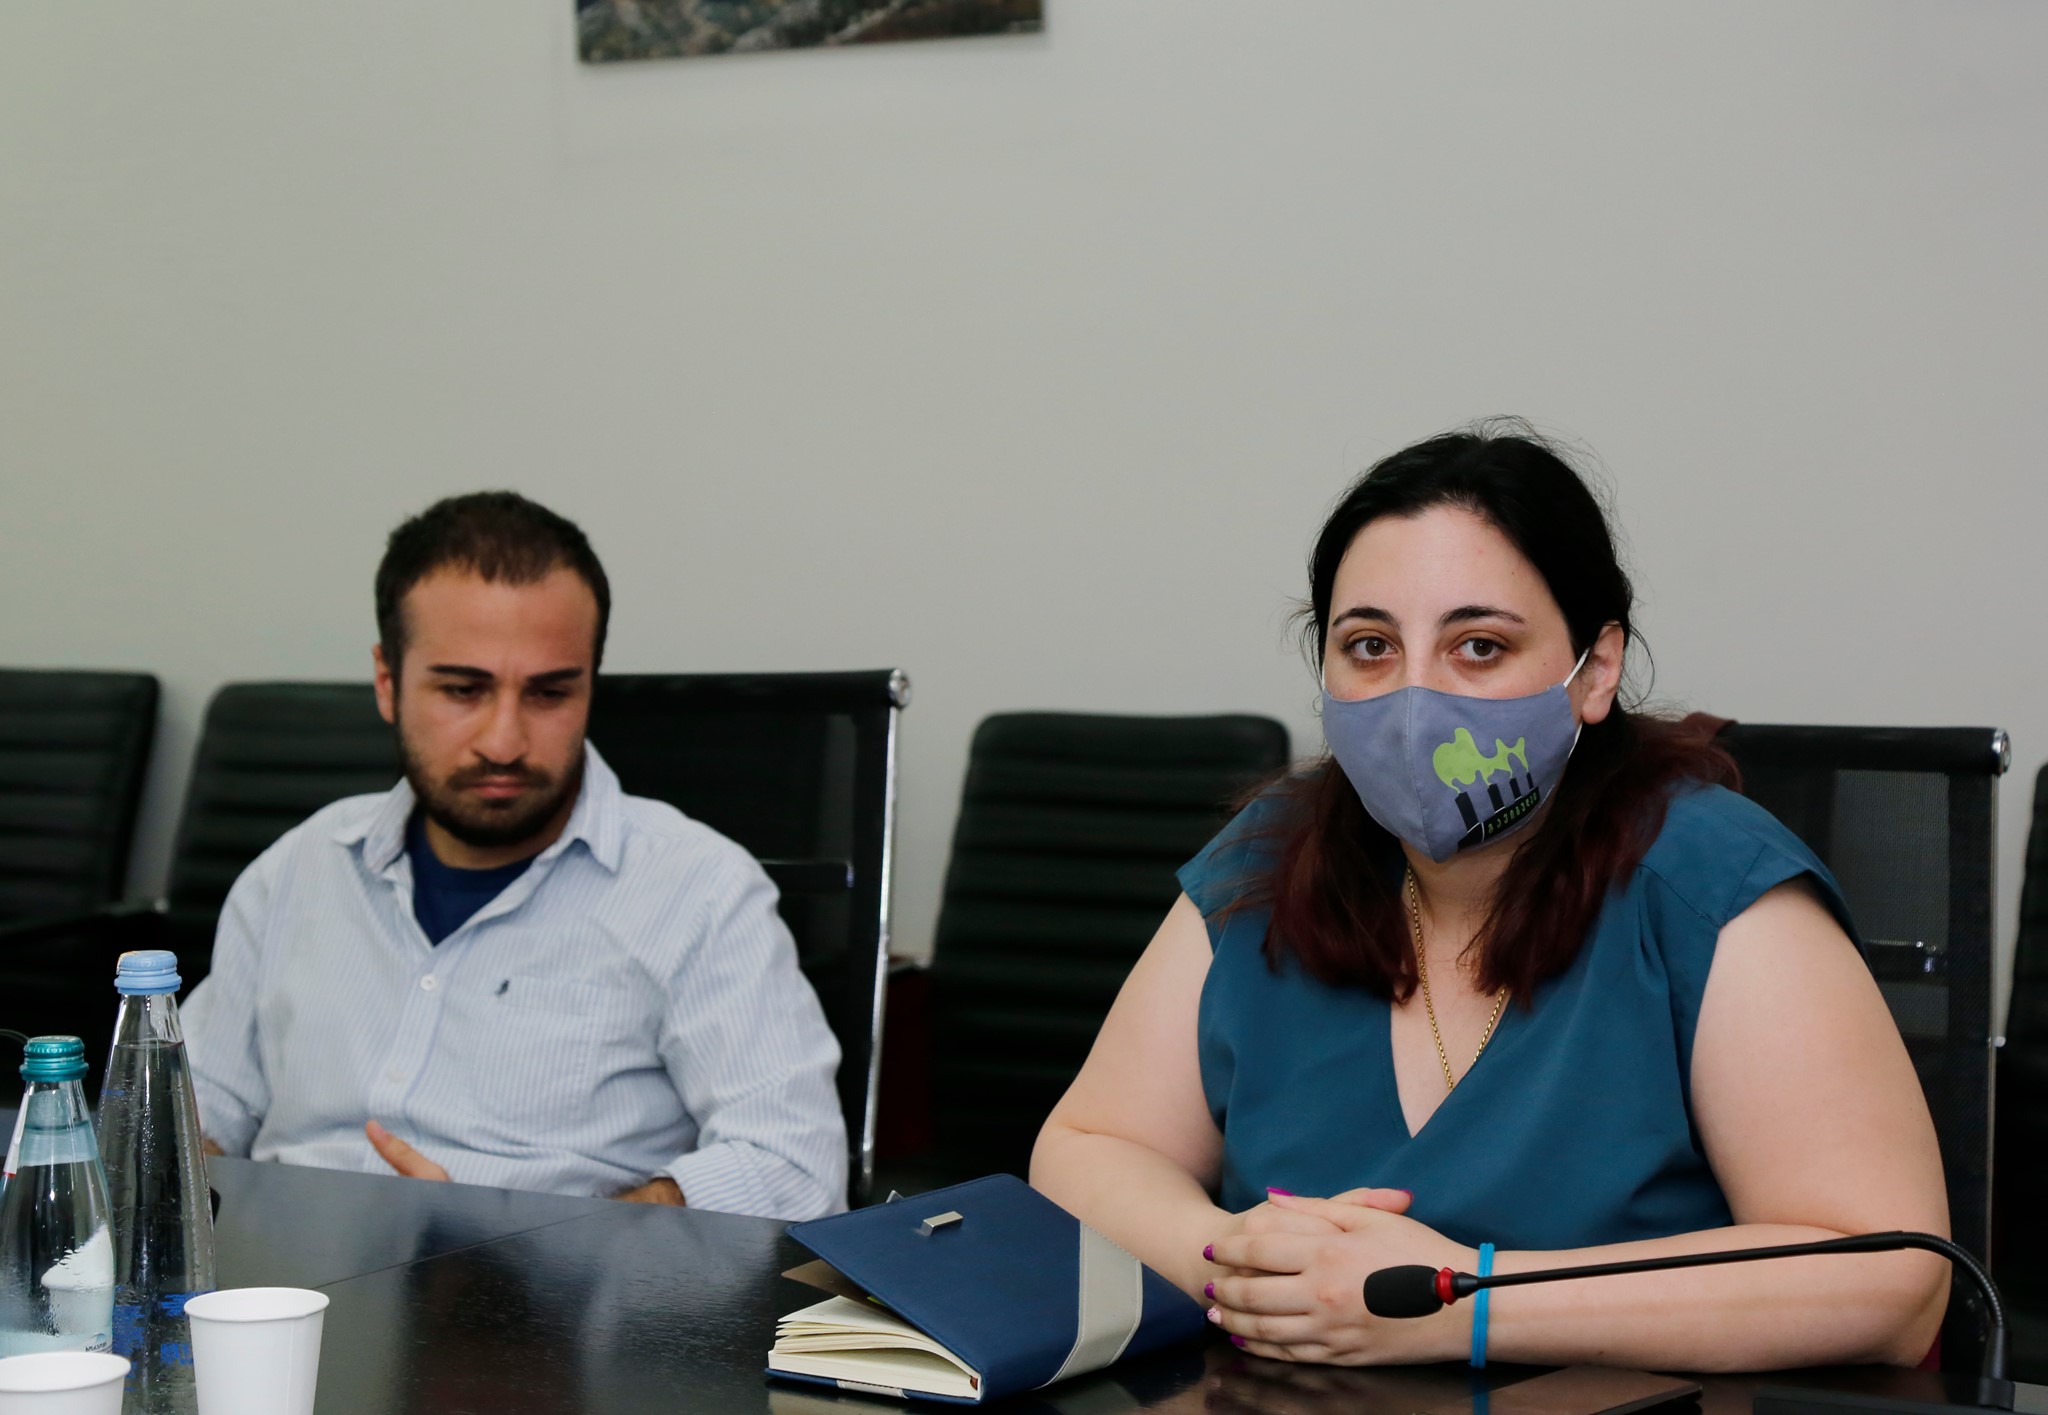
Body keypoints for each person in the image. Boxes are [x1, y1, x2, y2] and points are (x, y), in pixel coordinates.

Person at [1031, 425, 1949, 1369]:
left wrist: (1465, 1303)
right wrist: (1245, 1267)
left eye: (1479, 645)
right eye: (1370, 645)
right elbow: (1088, 1145)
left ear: (1595, 669)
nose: (1414, 699)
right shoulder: (1269, 862)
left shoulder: (1713, 886)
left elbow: (1890, 1279)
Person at [182, 491, 847, 1220]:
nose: (504, 742)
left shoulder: (700, 891)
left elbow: (795, 1173)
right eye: (462, 690)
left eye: (550, 693)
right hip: (278, 1275)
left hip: (546, 1286)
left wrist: (534, 1254)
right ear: (387, 682)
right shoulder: (300, 867)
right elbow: (199, 1106)